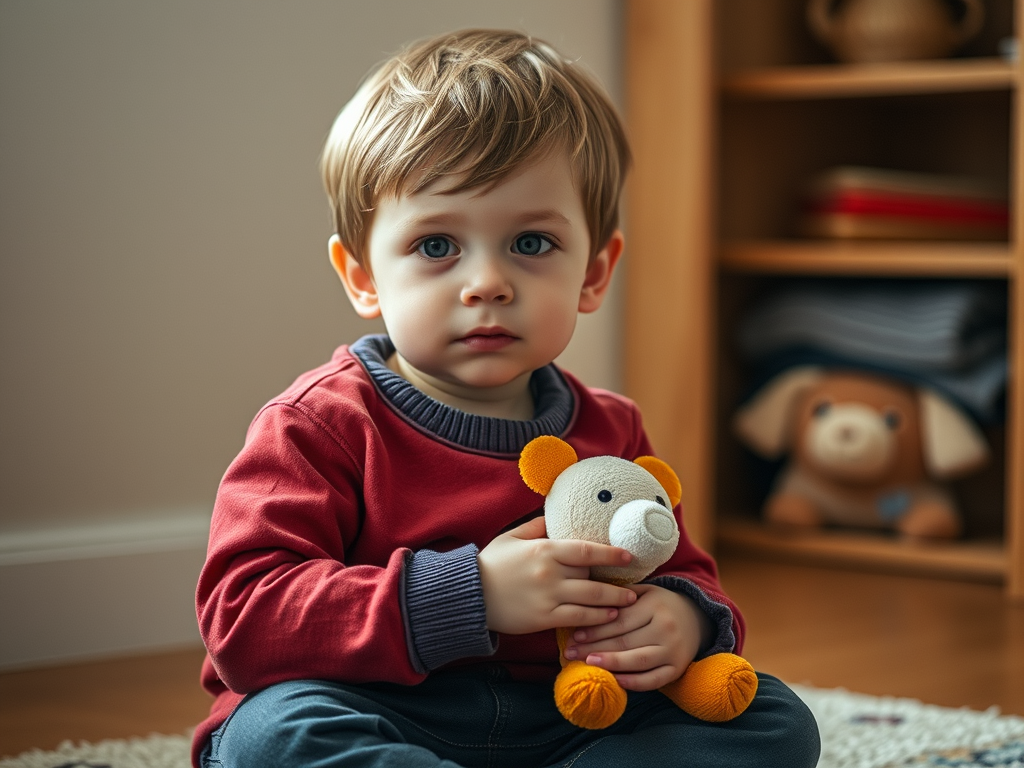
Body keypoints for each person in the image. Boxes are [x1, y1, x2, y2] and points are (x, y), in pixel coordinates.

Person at [192, 29, 820, 768]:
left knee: (775, 720)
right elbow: (244, 619)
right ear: (362, 275)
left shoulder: (611, 428)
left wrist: (681, 619)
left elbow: (679, 568)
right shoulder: (319, 425)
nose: (487, 283)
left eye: (530, 244)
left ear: (594, 272)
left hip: (565, 718)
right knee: (274, 734)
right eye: (435, 246)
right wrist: (472, 594)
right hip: (382, 705)